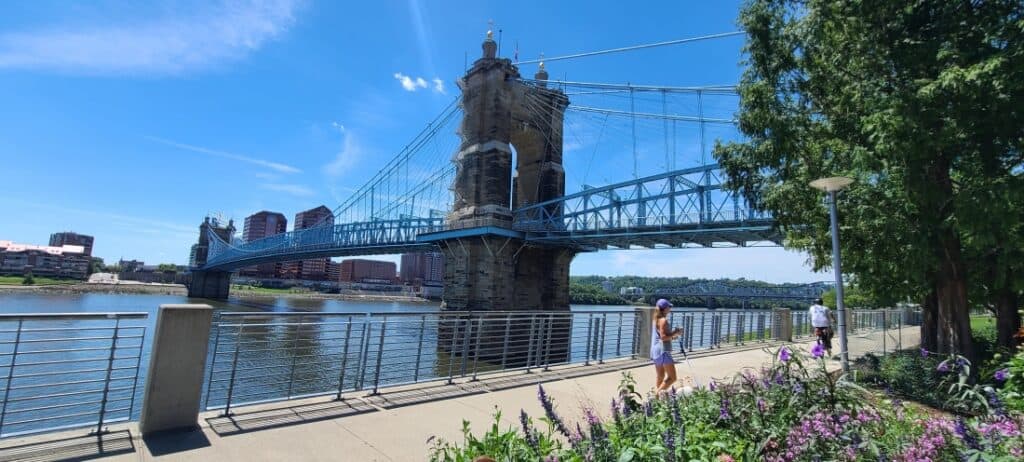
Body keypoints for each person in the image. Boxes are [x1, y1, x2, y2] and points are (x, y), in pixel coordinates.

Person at [651, 298, 683, 393]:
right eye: (669, 307)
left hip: (655, 350)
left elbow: (661, 336)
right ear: (665, 309)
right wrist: (676, 331)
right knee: (672, 378)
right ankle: (656, 396)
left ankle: (657, 400)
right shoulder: (663, 321)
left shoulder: (656, 320)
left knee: (660, 376)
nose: (670, 308)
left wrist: (674, 335)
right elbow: (664, 337)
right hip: (663, 351)